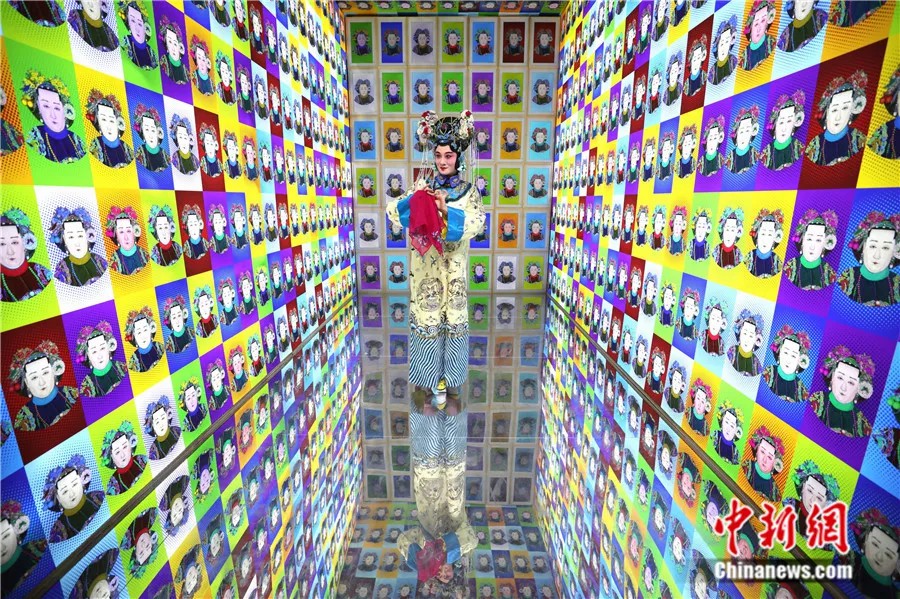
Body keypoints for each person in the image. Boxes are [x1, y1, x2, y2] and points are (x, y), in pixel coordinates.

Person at [21, 70, 86, 163]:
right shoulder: (34, 137)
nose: (53, 115)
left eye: (57, 108)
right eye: (46, 106)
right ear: (38, 109)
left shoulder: (78, 141)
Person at [837, 211, 900, 306]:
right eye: (873, 246)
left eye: (886, 248)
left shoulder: (897, 284)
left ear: (894, 252)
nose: (877, 255)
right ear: (863, 248)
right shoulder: (846, 279)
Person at [0, 208, 52, 302]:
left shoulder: (42, 270)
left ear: (25, 243)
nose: (10, 251)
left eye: (14, 242)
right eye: (2, 244)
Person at [75, 322, 127, 397]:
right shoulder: (86, 386)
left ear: (109, 348)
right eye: (94, 351)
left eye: (102, 348)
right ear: (88, 356)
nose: (99, 356)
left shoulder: (123, 368)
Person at [119, 0, 157, 69]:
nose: (137, 28)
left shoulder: (152, 53)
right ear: (128, 24)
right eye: (133, 21)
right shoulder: (125, 42)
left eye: (139, 24)